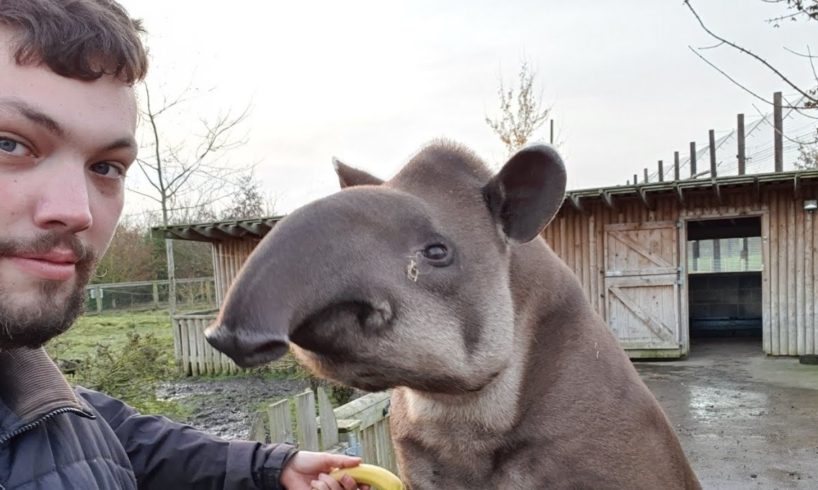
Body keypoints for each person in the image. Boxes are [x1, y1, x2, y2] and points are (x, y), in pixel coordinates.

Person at [0, 1, 366, 489]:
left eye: (105, 167)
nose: (78, 210)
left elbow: (95, 436)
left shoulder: (24, 384)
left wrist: (266, 469)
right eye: (9, 144)